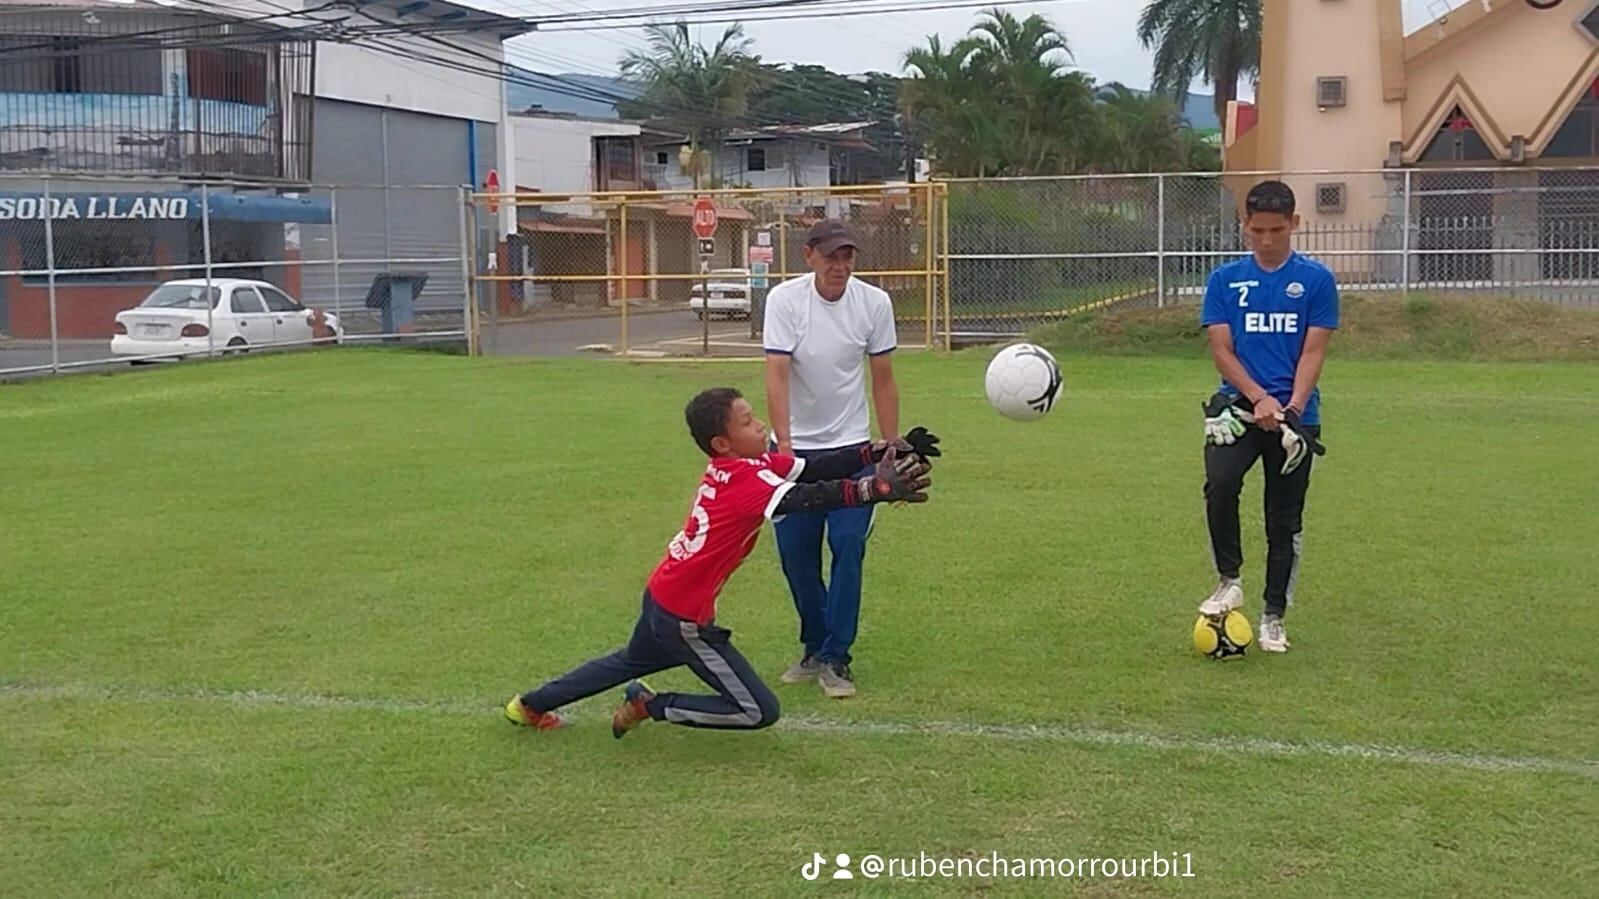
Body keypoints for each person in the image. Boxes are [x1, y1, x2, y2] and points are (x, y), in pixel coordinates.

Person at [504, 386, 936, 738]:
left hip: (662, 595)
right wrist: (872, 491)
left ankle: (529, 706)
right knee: (757, 711)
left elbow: (813, 468)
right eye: (747, 421)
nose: (760, 423)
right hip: (683, 618)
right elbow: (809, 498)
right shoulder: (745, 481)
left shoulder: (748, 462)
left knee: (626, 662)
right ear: (721, 443)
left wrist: (877, 450)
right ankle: (650, 706)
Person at [762, 219, 937, 699]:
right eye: (831, 256)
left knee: (848, 545)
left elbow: (882, 377)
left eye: (847, 257)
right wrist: (785, 446)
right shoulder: (784, 301)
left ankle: (837, 657)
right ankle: (814, 646)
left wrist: (890, 447)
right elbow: (776, 375)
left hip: (853, 449)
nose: (840, 266)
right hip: (797, 454)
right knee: (796, 556)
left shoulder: (873, 303)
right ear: (810, 256)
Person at [1196, 180, 1337, 653]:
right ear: (1245, 227)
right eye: (1257, 230)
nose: (1267, 239)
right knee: (1220, 484)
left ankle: (1274, 615)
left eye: (1277, 229)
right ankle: (1228, 579)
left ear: (1294, 224)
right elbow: (1222, 349)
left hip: (1295, 416)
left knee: (1283, 519)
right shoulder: (1224, 281)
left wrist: (1291, 408)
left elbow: (1313, 351)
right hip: (1238, 410)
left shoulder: (1317, 281)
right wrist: (1257, 398)